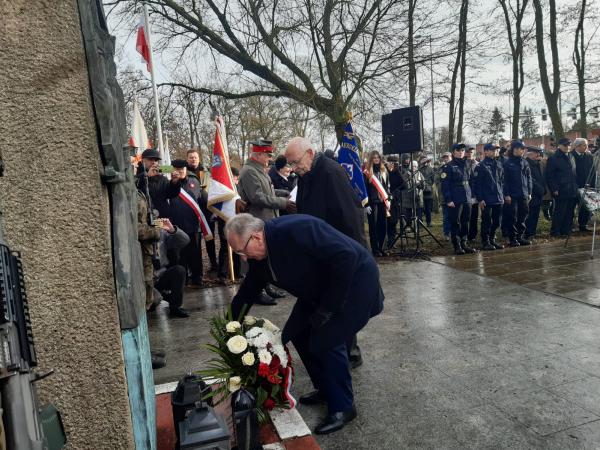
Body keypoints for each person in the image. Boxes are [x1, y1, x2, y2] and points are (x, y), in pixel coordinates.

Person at [227, 214, 384, 435]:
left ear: (256, 237)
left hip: (354, 283)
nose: (242, 258)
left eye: (241, 251)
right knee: (298, 332)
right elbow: (249, 290)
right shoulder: (259, 257)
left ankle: (343, 407)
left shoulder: (297, 229)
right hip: (320, 290)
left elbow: (346, 257)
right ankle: (326, 388)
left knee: (327, 340)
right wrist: (230, 324)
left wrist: (328, 309)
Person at [284, 136, 367, 369]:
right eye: (290, 163)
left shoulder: (331, 173)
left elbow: (350, 217)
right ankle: (340, 354)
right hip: (321, 253)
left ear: (310, 153)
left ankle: (349, 354)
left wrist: (357, 255)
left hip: (341, 252)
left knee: (340, 305)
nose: (293, 168)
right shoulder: (306, 175)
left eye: (295, 161)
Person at [239, 139, 295, 304]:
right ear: (257, 155)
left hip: (265, 219)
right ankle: (257, 292)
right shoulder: (249, 171)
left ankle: (266, 286)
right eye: (266, 155)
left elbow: (267, 190)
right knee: (256, 259)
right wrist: (283, 203)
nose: (269, 158)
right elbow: (256, 197)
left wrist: (283, 192)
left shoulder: (259, 170)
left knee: (265, 258)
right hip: (256, 220)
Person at [167, 159, 206, 287]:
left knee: (195, 253)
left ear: (186, 170)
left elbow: (200, 199)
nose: (180, 172)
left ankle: (197, 276)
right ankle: (184, 279)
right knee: (181, 254)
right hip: (177, 225)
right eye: (177, 170)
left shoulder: (194, 181)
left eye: (182, 170)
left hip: (193, 224)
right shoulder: (169, 184)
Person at [441, 143, 476, 255]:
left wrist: (472, 195)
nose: (461, 152)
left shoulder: (467, 163)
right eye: (458, 150)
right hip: (455, 198)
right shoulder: (448, 166)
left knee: (465, 221)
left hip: (467, 197)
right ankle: (457, 245)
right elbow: (445, 185)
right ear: (453, 152)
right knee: (455, 222)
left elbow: (471, 180)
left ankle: (464, 243)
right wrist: (448, 199)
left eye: (462, 150)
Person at [473, 144, 504, 250]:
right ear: (486, 152)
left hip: (498, 198)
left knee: (497, 221)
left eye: (496, 150)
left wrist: (502, 195)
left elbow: (501, 181)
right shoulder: (481, 166)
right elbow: (477, 184)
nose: (495, 152)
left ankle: (492, 239)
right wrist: (480, 199)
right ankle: (485, 241)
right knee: (486, 221)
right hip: (487, 199)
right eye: (492, 150)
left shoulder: (498, 164)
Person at [546, 137, 578, 236]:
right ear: (559, 146)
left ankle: (566, 229)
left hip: (572, 188)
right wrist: (554, 188)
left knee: (570, 211)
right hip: (561, 189)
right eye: (565, 145)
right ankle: (555, 231)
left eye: (568, 145)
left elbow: (574, 173)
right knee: (560, 211)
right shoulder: (554, 158)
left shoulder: (571, 156)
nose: (567, 147)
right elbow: (550, 175)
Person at [503, 140, 532, 247]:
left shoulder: (524, 162)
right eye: (522, 148)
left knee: (523, 215)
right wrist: (506, 194)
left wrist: (529, 192)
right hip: (512, 195)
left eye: (524, 149)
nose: (523, 150)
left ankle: (520, 236)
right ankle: (512, 238)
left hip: (523, 194)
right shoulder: (507, 163)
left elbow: (529, 178)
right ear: (515, 149)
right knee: (512, 217)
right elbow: (504, 181)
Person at [139, 148, 181, 218]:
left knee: (160, 227)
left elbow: (171, 194)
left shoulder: (162, 179)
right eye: (150, 159)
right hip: (143, 221)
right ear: (142, 161)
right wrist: (146, 176)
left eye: (156, 160)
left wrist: (174, 183)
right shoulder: (135, 176)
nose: (153, 162)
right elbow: (133, 189)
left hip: (160, 219)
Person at [363, 150, 390, 257]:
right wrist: (366, 204)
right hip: (372, 203)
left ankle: (382, 248)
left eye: (378, 157)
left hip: (382, 202)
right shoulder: (367, 172)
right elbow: (364, 189)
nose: (376, 159)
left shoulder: (384, 171)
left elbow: (387, 186)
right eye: (374, 158)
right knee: (373, 227)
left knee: (383, 226)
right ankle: (375, 249)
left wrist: (388, 198)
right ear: (371, 159)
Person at [572, 137, 595, 231]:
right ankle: (570, 226)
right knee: (572, 206)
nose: (586, 147)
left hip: (587, 185)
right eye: (584, 145)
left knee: (585, 207)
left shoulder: (589, 156)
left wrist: (592, 184)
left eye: (586, 145)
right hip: (575, 185)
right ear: (577, 146)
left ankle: (583, 225)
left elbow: (592, 170)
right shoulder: (571, 155)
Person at [524, 146, 547, 239]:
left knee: (535, 214)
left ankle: (532, 232)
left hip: (538, 194)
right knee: (530, 215)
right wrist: (540, 189)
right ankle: (528, 233)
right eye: (536, 153)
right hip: (531, 193)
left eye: (539, 153)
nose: (538, 155)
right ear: (529, 153)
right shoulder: (527, 163)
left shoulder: (536, 163)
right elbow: (531, 180)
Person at [435, 152, 453, 240]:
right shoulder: (440, 169)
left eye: (447, 157)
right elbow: (437, 181)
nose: (446, 159)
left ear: (451, 157)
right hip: (444, 196)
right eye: (444, 157)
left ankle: (455, 233)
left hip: (455, 196)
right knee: (446, 217)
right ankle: (447, 234)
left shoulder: (454, 167)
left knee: (456, 216)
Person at [464, 146, 479, 244]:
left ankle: (472, 235)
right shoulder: (462, 164)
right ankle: (464, 235)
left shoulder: (478, 164)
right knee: (465, 217)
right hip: (465, 193)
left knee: (474, 216)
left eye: (471, 152)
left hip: (475, 193)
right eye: (468, 152)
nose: (470, 154)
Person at [418, 156, 435, 227]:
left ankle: (429, 222)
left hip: (428, 191)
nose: (425, 162)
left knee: (428, 208)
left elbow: (433, 179)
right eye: (423, 160)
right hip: (420, 191)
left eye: (426, 160)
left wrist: (428, 186)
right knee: (420, 207)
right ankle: (420, 222)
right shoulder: (418, 169)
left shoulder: (431, 169)